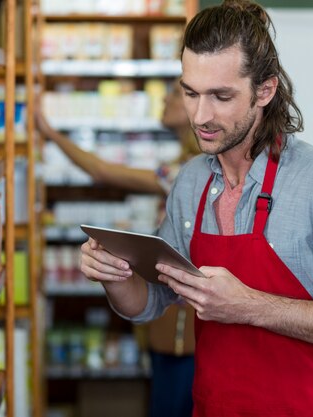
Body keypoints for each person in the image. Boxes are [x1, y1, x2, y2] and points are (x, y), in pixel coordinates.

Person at [80, 1, 313, 416]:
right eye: (191, 93)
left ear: (265, 90)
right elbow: (149, 302)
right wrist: (113, 275)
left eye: (221, 96)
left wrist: (248, 305)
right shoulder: (191, 182)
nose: (201, 115)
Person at [36, 82, 197, 417]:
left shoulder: (188, 172)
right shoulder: (181, 166)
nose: (165, 98)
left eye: (175, 93)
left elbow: (101, 170)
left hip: (184, 332)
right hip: (171, 324)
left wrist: (49, 132)